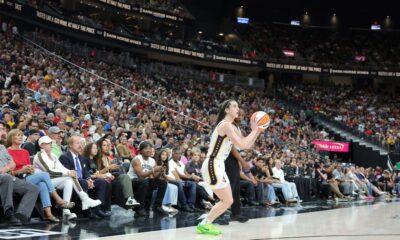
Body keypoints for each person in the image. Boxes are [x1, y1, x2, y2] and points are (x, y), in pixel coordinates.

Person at [197, 99, 262, 235]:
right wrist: (255, 130)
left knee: (228, 200)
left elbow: (245, 145)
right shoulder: (226, 125)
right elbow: (243, 144)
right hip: (213, 163)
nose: (237, 108)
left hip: (218, 164)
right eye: (234, 106)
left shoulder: (232, 126)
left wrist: (257, 131)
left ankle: (205, 224)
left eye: (238, 106)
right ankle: (205, 223)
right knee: (226, 200)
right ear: (226, 110)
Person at [7, 129, 74, 223]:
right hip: (16, 178)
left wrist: (30, 169)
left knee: (42, 184)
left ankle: (49, 214)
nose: (20, 137)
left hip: (27, 176)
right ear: (11, 137)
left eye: (21, 135)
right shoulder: (7, 151)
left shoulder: (25, 152)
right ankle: (58, 199)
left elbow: (29, 167)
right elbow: (8, 171)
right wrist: (21, 170)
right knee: (44, 175)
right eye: (18, 135)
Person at [33, 136, 101, 221]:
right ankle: (84, 199)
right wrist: (68, 173)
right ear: (41, 145)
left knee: (69, 180)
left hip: (51, 180)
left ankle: (66, 211)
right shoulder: (39, 156)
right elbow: (49, 171)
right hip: (41, 181)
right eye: (47, 144)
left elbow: (61, 168)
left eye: (50, 143)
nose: (50, 145)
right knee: (69, 176)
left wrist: (70, 171)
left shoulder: (53, 155)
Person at [0, 121, 39, 225]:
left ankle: (22, 214)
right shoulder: (7, 148)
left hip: (6, 175)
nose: (4, 132)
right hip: (6, 177)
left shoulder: (2, 148)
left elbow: (12, 163)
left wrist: (5, 168)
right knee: (7, 177)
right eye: (1, 130)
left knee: (33, 188)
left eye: (3, 129)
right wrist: (7, 169)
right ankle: (8, 213)